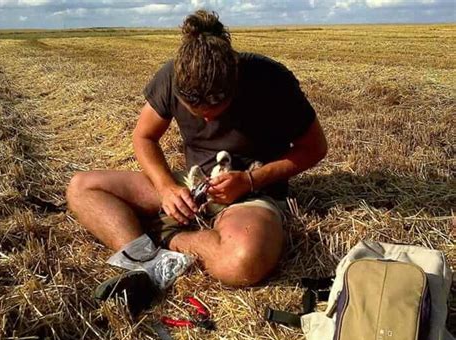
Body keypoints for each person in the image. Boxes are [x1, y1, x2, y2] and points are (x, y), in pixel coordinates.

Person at [66, 10, 327, 293]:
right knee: (82, 187)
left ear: (234, 84)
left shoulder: (271, 80)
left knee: (243, 262)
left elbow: (314, 148)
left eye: (215, 113)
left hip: (251, 195)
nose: (206, 121)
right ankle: (145, 260)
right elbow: (144, 136)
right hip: (190, 185)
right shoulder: (170, 75)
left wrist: (250, 181)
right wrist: (166, 188)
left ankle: (161, 238)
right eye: (196, 113)